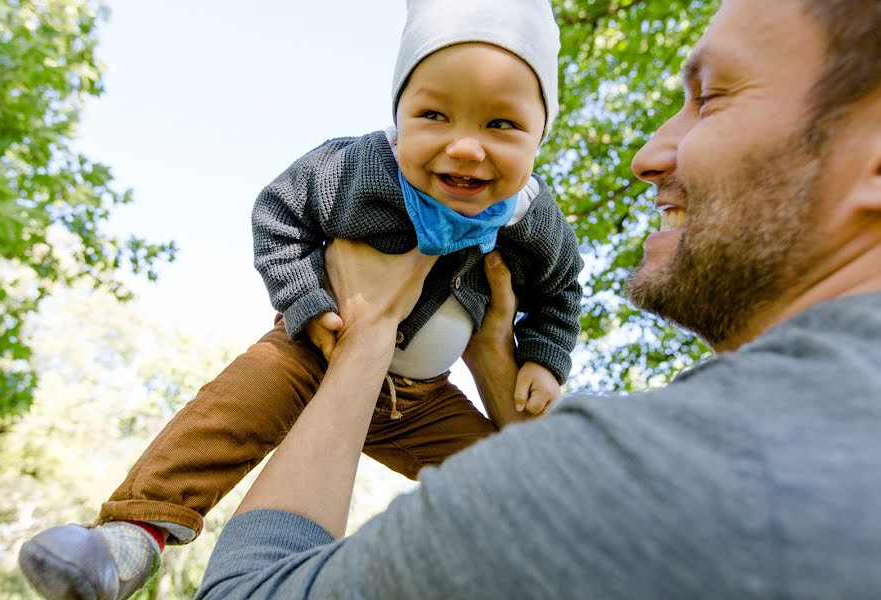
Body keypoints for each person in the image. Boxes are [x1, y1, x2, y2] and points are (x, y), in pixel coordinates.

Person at [188, 0, 881, 597]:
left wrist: (370, 332)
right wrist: (497, 361)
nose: (648, 154)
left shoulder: (678, 467)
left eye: (712, 97)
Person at [18, 1, 584, 599]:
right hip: (315, 352)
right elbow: (279, 214)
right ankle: (131, 534)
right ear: (399, 117)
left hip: (422, 401)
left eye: (502, 125)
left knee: (503, 482)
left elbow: (560, 289)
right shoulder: (356, 167)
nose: (465, 147)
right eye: (434, 115)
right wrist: (306, 301)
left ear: (540, 134)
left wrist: (545, 357)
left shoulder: (530, 219)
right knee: (230, 413)